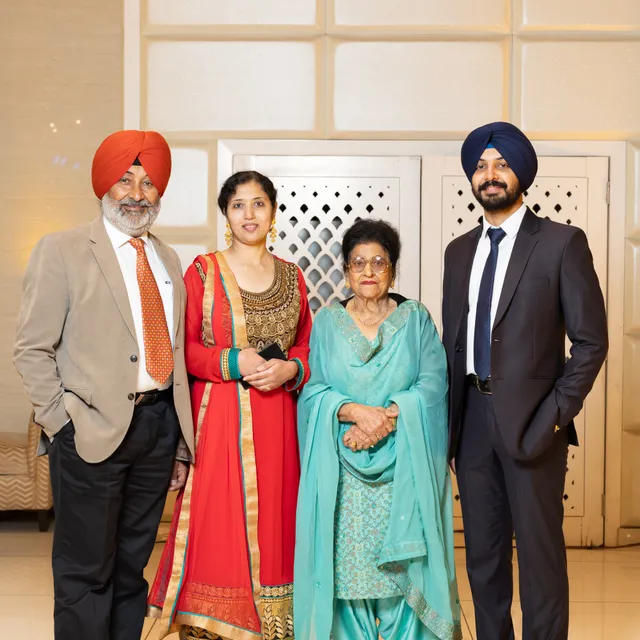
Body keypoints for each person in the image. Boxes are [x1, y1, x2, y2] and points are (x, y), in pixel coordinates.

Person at [13, 130, 195, 640]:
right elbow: (31, 348)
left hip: (158, 430)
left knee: (131, 569)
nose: (137, 193)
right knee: (85, 572)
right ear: (104, 186)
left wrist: (179, 442)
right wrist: (61, 424)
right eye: (125, 180)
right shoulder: (63, 249)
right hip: (87, 432)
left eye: (149, 182)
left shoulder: (169, 259)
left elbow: (176, 354)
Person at [442, 121, 608, 640]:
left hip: (535, 424)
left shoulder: (561, 243)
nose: (490, 175)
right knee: (483, 559)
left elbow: (591, 342)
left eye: (502, 164)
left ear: (521, 174)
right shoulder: (458, 251)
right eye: (480, 166)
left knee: (540, 560)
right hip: (471, 424)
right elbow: (454, 342)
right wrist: (450, 428)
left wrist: (553, 417)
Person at [148, 171, 311, 640]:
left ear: (273, 211)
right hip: (221, 420)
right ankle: (215, 622)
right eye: (238, 205)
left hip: (279, 420)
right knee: (220, 522)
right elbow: (182, 349)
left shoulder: (292, 276)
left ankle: (274, 623)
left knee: (278, 520)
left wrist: (291, 369)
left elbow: (306, 344)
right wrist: (234, 360)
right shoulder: (203, 271)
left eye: (258, 203)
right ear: (226, 214)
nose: (249, 214)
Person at [294, 219, 461, 640]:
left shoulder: (415, 319)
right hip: (343, 471)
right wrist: (351, 411)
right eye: (358, 263)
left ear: (393, 269)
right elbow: (313, 389)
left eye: (379, 262)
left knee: (402, 580)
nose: (368, 271)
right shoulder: (327, 322)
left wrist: (384, 418)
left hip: (404, 465)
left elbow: (433, 383)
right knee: (348, 575)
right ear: (345, 271)